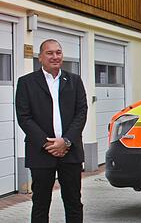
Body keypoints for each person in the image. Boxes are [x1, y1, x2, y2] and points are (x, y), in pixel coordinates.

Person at [15, 39, 87, 223]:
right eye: (49, 53)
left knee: (73, 203)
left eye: (58, 52)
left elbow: (81, 112)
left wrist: (66, 141)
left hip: (70, 152)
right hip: (41, 152)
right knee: (40, 203)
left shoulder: (75, 81)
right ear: (40, 57)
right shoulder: (26, 83)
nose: (55, 57)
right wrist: (48, 143)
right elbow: (24, 117)